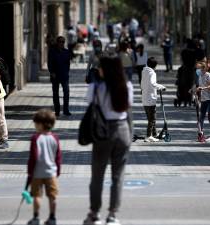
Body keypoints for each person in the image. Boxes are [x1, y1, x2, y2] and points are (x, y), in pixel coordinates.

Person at [83, 56, 133, 225]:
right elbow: (129, 111)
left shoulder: (96, 88)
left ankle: (94, 213)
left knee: (97, 175)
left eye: (101, 67)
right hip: (122, 131)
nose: (98, 70)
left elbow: (90, 105)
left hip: (103, 133)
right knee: (118, 177)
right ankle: (112, 215)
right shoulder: (127, 86)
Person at [27, 109, 62, 225]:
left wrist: (30, 172)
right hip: (51, 172)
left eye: (36, 124)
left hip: (37, 172)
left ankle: (36, 218)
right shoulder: (55, 138)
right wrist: (57, 170)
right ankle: (52, 217)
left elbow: (33, 157)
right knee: (53, 196)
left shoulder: (35, 138)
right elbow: (58, 156)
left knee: (37, 195)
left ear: (41, 124)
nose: (35, 126)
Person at [141, 57, 166, 142]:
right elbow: (153, 83)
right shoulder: (152, 73)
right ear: (154, 65)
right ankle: (148, 136)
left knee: (151, 117)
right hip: (150, 98)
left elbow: (142, 84)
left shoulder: (144, 71)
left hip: (145, 97)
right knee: (152, 119)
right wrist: (161, 87)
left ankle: (154, 134)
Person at [48, 36, 71, 117]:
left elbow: (68, 64)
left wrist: (67, 72)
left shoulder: (66, 52)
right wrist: (52, 72)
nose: (61, 43)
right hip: (55, 76)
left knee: (66, 92)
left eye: (63, 42)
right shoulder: (52, 52)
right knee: (55, 93)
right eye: (60, 42)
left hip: (64, 75)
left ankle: (66, 110)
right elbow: (49, 63)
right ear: (57, 43)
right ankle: (57, 110)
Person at [196, 61, 210, 142]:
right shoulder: (200, 76)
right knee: (201, 117)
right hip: (204, 98)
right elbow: (199, 86)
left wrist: (203, 88)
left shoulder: (208, 75)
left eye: (199, 68)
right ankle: (201, 133)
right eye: (197, 68)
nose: (197, 70)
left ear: (204, 68)